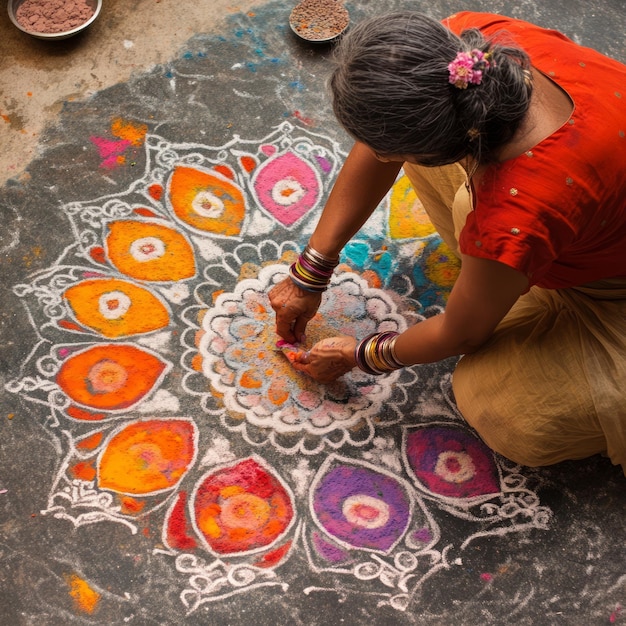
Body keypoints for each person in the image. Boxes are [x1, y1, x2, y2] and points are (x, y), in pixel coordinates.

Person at [268, 11, 626, 474]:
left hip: (610, 290)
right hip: (575, 217)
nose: (379, 156)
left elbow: (463, 335)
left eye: (387, 150)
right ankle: (501, 281)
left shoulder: (516, 210)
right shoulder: (470, 52)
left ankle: (511, 288)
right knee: (439, 172)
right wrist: (311, 270)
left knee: (500, 408)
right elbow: (384, 139)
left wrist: (361, 354)